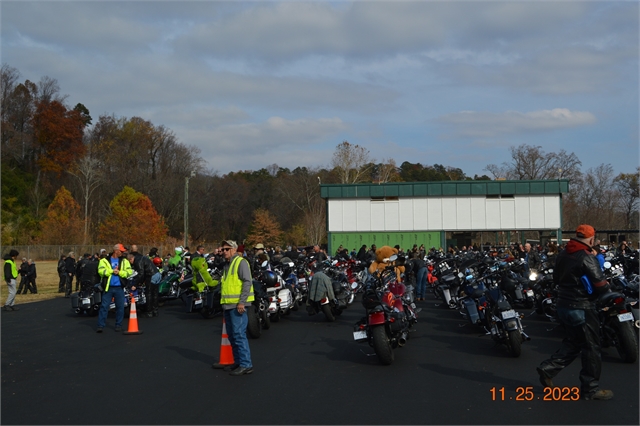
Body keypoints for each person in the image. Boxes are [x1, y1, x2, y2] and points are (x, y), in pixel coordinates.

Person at [537, 224, 613, 401]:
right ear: (591, 239)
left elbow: (555, 278)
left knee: (574, 341)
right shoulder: (586, 256)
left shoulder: (563, 253)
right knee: (592, 347)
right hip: (582, 306)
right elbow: (600, 284)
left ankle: (549, 368)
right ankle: (590, 388)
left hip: (563, 304)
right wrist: (608, 288)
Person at [211, 240, 254, 376]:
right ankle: (238, 362)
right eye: (222, 249)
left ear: (234, 250)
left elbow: (247, 282)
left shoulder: (240, 262)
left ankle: (246, 364)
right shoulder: (227, 265)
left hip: (237, 306)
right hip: (229, 305)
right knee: (232, 335)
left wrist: (242, 302)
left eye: (226, 249)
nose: (223, 252)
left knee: (238, 335)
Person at [96, 244, 134, 333]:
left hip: (119, 288)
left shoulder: (124, 261)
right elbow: (101, 271)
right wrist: (111, 271)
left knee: (120, 307)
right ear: (115, 251)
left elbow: (129, 272)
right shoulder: (104, 261)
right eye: (121, 251)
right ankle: (100, 325)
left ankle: (118, 325)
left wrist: (120, 272)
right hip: (108, 288)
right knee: (104, 306)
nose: (123, 253)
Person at [127, 250, 162, 317]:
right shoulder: (142, 258)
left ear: (131, 259)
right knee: (155, 294)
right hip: (157, 274)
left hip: (151, 275)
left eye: (130, 261)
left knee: (148, 294)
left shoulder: (137, 261)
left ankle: (149, 312)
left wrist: (136, 284)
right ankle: (155, 310)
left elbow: (141, 274)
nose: (131, 263)